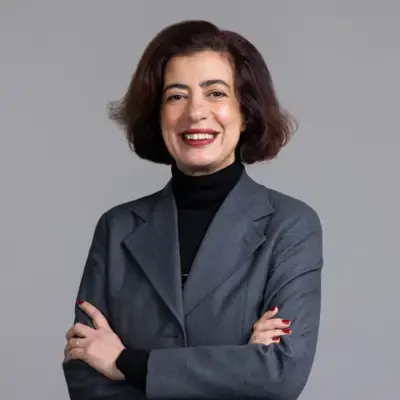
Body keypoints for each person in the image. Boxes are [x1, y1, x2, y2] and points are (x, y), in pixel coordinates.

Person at [62, 19, 323, 400]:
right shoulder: (116, 228)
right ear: (158, 114)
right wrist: (240, 362)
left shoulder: (289, 226)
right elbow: (86, 377)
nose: (195, 112)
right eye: (176, 96)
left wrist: (125, 362)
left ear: (245, 111)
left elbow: (280, 373)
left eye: (215, 93)